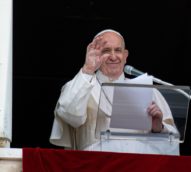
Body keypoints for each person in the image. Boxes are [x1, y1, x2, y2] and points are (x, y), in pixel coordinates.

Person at [49, 29, 179, 155]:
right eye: (106, 51)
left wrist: (158, 128)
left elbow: (172, 143)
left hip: (139, 166)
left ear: (125, 56)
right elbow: (70, 116)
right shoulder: (80, 84)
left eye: (118, 50)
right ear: (95, 55)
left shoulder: (148, 90)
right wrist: (88, 68)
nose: (113, 56)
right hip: (96, 164)